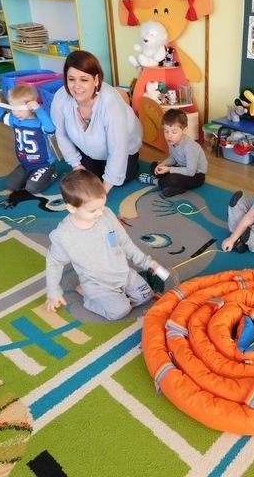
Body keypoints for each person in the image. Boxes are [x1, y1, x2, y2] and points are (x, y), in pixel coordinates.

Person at [45, 169, 161, 320]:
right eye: (93, 210)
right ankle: (88, 296)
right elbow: (54, 263)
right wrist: (53, 292)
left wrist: (145, 261)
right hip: (97, 285)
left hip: (122, 273)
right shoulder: (63, 235)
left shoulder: (106, 214)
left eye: (102, 205)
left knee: (146, 296)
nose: (100, 212)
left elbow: (123, 241)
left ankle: (117, 299)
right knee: (120, 312)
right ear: (72, 208)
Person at [51, 50, 142, 193]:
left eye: (84, 79)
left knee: (119, 181)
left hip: (123, 146)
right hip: (89, 146)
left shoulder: (110, 103)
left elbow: (118, 148)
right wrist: (75, 164)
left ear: (96, 80)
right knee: (88, 179)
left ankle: (133, 162)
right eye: (71, 79)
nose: (77, 86)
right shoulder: (61, 97)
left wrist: (104, 190)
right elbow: (61, 133)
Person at [0, 84, 57, 194]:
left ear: (31, 107)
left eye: (19, 109)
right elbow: (1, 116)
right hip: (26, 164)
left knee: (32, 188)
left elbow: (51, 129)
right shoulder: (15, 120)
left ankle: (52, 173)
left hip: (43, 164)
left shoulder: (39, 122)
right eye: (13, 109)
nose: (16, 113)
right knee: (10, 184)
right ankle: (31, 175)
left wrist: (39, 110)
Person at [137, 108, 207, 197]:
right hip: (181, 168)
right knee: (154, 166)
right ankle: (176, 187)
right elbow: (174, 158)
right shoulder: (172, 141)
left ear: (184, 131)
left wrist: (169, 169)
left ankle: (156, 182)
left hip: (196, 176)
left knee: (173, 179)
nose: (169, 135)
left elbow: (190, 172)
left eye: (174, 132)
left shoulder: (190, 147)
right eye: (166, 131)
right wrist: (163, 164)